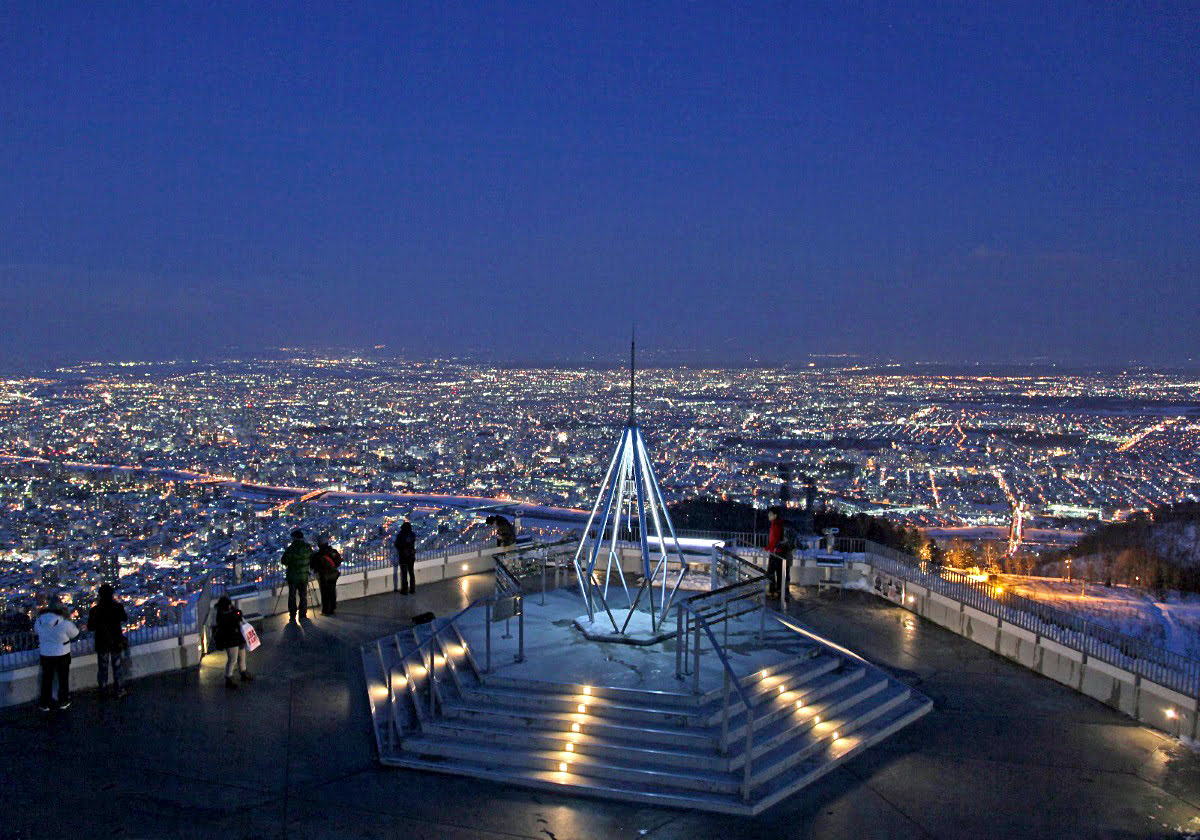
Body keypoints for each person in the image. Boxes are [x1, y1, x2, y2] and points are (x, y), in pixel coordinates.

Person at [33, 597, 80, 711]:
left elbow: (36, 631)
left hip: (45, 653)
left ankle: (45, 703)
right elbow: (75, 634)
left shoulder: (39, 621)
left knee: (46, 679)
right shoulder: (64, 622)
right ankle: (63, 700)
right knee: (63, 678)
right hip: (62, 653)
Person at [86, 583, 128, 698]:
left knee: (103, 668)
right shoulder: (118, 607)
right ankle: (119, 689)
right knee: (117, 666)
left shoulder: (94, 610)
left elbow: (90, 627)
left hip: (102, 642)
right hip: (116, 641)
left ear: (100, 595)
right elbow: (124, 618)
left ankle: (103, 690)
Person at [212, 596, 253, 689]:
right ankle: (229, 678)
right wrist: (235, 611)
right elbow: (238, 615)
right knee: (233, 659)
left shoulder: (223, 614)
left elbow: (238, 614)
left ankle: (243, 673)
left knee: (240, 657)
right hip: (231, 640)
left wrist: (235, 611)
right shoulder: (226, 616)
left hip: (237, 638)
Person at [281, 529, 313, 622]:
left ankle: (292, 615)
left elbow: (284, 561)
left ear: (295, 538)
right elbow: (312, 558)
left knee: (292, 596)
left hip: (292, 576)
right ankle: (303, 614)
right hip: (304, 575)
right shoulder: (307, 547)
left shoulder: (291, 548)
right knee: (303, 595)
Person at [310, 533, 342, 616]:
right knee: (332, 591)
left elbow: (313, 566)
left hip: (323, 576)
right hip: (333, 575)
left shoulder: (317, 555)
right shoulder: (333, 552)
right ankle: (332, 608)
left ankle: (326, 610)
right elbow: (338, 562)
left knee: (324, 593)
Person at [765, 506, 793, 598]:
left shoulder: (775, 525)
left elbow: (774, 540)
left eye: (770, 514)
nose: (768, 516)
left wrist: (767, 548)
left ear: (775, 515)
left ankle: (772, 592)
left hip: (776, 553)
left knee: (770, 573)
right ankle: (779, 592)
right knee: (780, 573)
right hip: (782, 552)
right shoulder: (780, 524)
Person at [395, 521, 416, 595]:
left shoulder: (400, 535)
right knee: (411, 572)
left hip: (403, 556)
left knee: (404, 574)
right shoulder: (412, 534)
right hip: (411, 556)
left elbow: (397, 545)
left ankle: (405, 589)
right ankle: (412, 588)